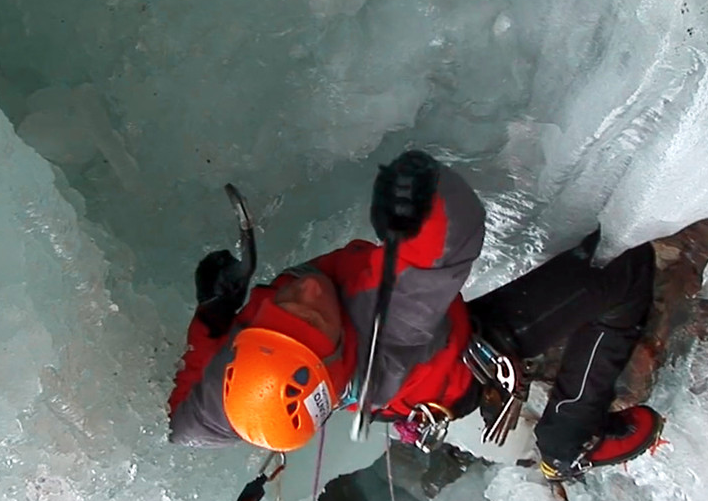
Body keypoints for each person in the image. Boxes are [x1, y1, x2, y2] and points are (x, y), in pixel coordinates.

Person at [167, 150, 661, 482]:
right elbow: (446, 245)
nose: (303, 292)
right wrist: (422, 198)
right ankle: (568, 438)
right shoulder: (385, 321)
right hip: (465, 363)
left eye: (274, 316)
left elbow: (187, 424)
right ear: (337, 355)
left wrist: (213, 314)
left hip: (406, 392)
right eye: (313, 322)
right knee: (626, 271)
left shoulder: (247, 375)